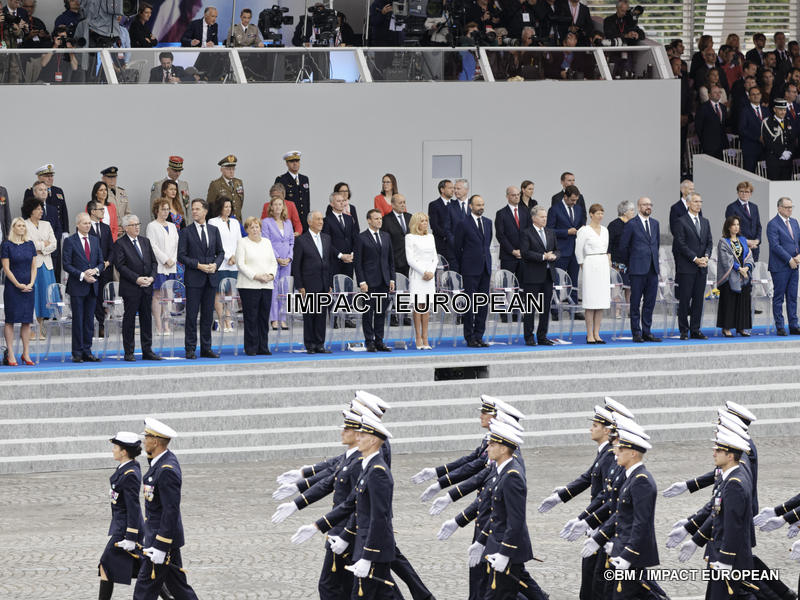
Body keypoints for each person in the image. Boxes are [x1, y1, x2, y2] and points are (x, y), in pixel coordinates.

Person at [133, 417, 199, 600]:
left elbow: (171, 511)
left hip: (161, 541)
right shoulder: (161, 461)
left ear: (155, 441)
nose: (144, 440)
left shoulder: (167, 469)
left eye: (147, 437)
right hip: (160, 538)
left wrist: (161, 546)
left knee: (143, 591)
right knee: (178, 589)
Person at [482, 420, 545, 600]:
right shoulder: (503, 472)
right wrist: (482, 542)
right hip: (499, 547)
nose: (487, 448)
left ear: (503, 449)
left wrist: (504, 553)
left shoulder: (512, 476)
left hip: (508, 552)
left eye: (492, 445)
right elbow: (497, 516)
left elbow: (515, 521)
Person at [606, 426, 659, 598]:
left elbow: (641, 523)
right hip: (624, 549)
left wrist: (628, 554)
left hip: (632, 556)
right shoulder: (632, 478)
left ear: (633, 453)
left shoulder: (641, 480)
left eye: (621, 449)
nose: (616, 452)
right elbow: (623, 517)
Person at [705, 430, 754, 600]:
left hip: (730, 561)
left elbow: (734, 526)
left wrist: (725, 559)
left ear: (730, 455)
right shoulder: (730, 478)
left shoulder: (734, 484)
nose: (714, 454)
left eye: (718, 451)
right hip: (725, 557)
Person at [98, 431, 144, 600]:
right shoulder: (126, 468)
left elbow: (133, 507)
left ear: (124, 452)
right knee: (144, 571)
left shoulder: (130, 474)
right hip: (122, 527)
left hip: (125, 530)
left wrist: (131, 537)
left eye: (115, 447)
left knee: (105, 564)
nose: (113, 450)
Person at [177, 199, 224, 359]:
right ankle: (190, 348)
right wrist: (198, 265)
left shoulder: (214, 230)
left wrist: (215, 265)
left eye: (198, 209)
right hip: (194, 278)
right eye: (193, 209)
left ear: (205, 211)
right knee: (191, 315)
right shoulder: (186, 232)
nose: (194, 212)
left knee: (207, 315)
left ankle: (206, 347)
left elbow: (221, 252)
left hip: (211, 278)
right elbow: (181, 256)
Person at [114, 215, 160, 362]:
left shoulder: (145, 241)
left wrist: (152, 277)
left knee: (147, 319)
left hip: (147, 285)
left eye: (138, 224)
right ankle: (129, 351)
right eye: (133, 225)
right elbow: (120, 266)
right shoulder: (120, 243)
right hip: (131, 287)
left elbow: (153, 262)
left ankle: (147, 350)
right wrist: (137, 279)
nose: (137, 227)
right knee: (130, 319)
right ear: (126, 227)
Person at [63, 212, 104, 363]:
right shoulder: (70, 241)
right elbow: (66, 264)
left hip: (92, 286)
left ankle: (88, 350)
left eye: (89, 223)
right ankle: (77, 352)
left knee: (89, 321)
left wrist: (96, 270)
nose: (88, 225)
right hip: (77, 286)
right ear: (78, 225)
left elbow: (100, 261)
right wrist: (82, 275)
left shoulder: (94, 240)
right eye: (85, 223)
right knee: (78, 320)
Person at [619, 197, 661, 343]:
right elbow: (623, 247)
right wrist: (631, 264)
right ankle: (636, 333)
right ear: (638, 207)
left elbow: (656, 244)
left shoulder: (655, 224)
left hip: (652, 269)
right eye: (645, 204)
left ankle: (647, 331)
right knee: (635, 302)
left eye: (650, 204)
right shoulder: (631, 224)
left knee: (650, 302)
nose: (648, 207)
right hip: (637, 269)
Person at [672, 193, 713, 340]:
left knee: (698, 300)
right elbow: (680, 244)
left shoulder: (705, 221)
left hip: (702, 267)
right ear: (688, 204)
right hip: (687, 267)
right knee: (684, 299)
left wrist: (706, 257)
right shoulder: (680, 221)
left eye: (700, 201)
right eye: (695, 201)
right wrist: (695, 258)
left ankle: (695, 329)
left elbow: (709, 242)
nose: (699, 204)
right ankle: (684, 330)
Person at [453, 195, 492, 347]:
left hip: (485, 268)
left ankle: (479, 336)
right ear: (470, 206)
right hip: (470, 269)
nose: (481, 207)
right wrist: (463, 265)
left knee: (483, 304)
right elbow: (457, 247)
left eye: (482, 204)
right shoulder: (463, 223)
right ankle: (469, 337)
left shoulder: (488, 223)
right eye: (478, 205)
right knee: (469, 304)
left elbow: (486, 244)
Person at [292, 211, 333, 354]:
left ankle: (320, 344)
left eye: (322, 219)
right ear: (310, 222)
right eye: (318, 219)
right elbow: (296, 266)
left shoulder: (327, 238)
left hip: (323, 283)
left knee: (321, 315)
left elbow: (329, 262)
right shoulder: (302, 240)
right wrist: (300, 285)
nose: (321, 222)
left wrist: (329, 284)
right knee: (309, 315)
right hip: (308, 284)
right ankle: (309, 344)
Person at [236, 216, 277, 356]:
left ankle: (263, 347)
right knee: (251, 317)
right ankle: (251, 347)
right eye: (251, 227)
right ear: (247, 229)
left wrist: (271, 275)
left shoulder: (267, 242)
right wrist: (256, 276)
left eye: (257, 227)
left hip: (266, 285)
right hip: (249, 285)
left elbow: (273, 261)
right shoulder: (242, 242)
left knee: (264, 317)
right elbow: (240, 264)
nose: (255, 229)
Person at [355, 209, 395, 352]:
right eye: (376, 218)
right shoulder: (361, 237)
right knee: (368, 313)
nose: (379, 221)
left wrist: (392, 279)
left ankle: (379, 340)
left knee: (381, 313)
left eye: (380, 218)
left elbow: (390, 260)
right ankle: (369, 341)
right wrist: (361, 282)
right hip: (369, 282)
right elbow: (358, 263)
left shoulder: (386, 236)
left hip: (384, 281)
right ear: (369, 220)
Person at [520, 206, 558, 346]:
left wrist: (554, 255)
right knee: (530, 308)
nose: (545, 219)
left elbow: (557, 250)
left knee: (545, 308)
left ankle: (542, 336)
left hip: (548, 276)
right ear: (534, 218)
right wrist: (543, 256)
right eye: (542, 217)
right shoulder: (526, 233)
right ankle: (529, 337)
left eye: (546, 216)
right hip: (532, 276)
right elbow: (525, 253)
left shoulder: (550, 232)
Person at [24, 164, 68, 284]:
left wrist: (54, 240)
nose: (50, 179)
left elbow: (60, 224)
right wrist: (43, 244)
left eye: (45, 190)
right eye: (47, 176)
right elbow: (28, 225)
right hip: (36, 253)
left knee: (54, 277)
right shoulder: (30, 196)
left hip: (52, 249)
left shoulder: (53, 205)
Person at [1, 217, 36, 366]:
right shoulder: (6, 245)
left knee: (26, 321)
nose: (22, 228)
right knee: (10, 320)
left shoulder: (30, 245)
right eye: (19, 225)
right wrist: (18, 284)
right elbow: (6, 268)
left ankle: (26, 353)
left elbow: (34, 266)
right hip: (12, 288)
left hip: (28, 287)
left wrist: (31, 283)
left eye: (23, 226)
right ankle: (10, 354)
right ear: (13, 228)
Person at [22, 189, 56, 339]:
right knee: (33, 295)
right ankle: (30, 328)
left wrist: (40, 246)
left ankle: (41, 326)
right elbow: (27, 244)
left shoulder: (47, 224)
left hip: (46, 265)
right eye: (38, 209)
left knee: (45, 296)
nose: (41, 211)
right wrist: (43, 245)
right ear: (31, 210)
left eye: (41, 209)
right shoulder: (23, 224)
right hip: (31, 265)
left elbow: (54, 244)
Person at [575, 204, 610, 344]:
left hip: (602, 263)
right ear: (591, 214)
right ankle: (589, 334)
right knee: (590, 301)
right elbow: (578, 250)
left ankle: (597, 333)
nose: (600, 216)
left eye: (602, 213)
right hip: (590, 263)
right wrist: (583, 265)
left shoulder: (605, 230)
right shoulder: (584, 230)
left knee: (600, 301)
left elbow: (607, 248)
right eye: (597, 213)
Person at [546, 184, 585, 312]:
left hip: (575, 250)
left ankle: (573, 308)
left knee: (573, 281)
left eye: (576, 200)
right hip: (561, 249)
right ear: (565, 197)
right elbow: (550, 230)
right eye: (572, 200)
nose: (574, 202)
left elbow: (581, 225)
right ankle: (555, 309)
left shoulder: (578, 209)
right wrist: (566, 232)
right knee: (557, 280)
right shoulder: (555, 209)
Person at [766, 197, 800, 336]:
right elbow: (775, 246)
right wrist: (789, 259)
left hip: (795, 265)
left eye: (791, 207)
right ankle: (780, 326)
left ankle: (793, 325)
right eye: (787, 207)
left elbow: (798, 241)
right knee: (779, 297)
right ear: (779, 208)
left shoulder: (794, 222)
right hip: (780, 266)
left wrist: (798, 257)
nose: (789, 210)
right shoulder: (773, 224)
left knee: (792, 296)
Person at [208, 197, 242, 333]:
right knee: (218, 292)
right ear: (220, 207)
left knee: (230, 292)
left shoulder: (235, 222)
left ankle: (229, 319)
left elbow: (239, 241)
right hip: (221, 262)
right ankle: (221, 319)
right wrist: (228, 256)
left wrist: (235, 256)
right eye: (225, 206)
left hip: (234, 263)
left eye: (229, 206)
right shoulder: (213, 222)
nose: (228, 209)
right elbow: (215, 242)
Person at [717, 215, 754, 338]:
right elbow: (725, 260)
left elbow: (749, 255)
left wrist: (747, 268)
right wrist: (739, 269)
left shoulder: (743, 240)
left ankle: (741, 327)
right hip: (729, 277)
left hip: (744, 276)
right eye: (734, 225)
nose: (736, 227)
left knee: (743, 302)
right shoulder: (723, 242)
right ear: (728, 227)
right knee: (729, 303)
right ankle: (726, 328)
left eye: (738, 224)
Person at [146, 198, 179, 336]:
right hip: (159, 265)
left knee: (169, 295)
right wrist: (165, 259)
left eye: (167, 209)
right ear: (156, 211)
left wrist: (173, 260)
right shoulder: (152, 226)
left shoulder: (172, 226)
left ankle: (167, 325)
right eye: (163, 209)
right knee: (158, 295)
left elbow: (177, 244)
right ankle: (159, 326)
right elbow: (152, 246)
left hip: (171, 265)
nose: (165, 212)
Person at [261, 195, 294, 330]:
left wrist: (289, 257)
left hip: (287, 260)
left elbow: (292, 241)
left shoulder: (288, 223)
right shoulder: (266, 222)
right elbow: (266, 241)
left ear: (283, 207)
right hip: (273, 260)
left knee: (285, 289)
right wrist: (277, 257)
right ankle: (274, 319)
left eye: (280, 204)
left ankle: (283, 318)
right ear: (271, 207)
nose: (278, 207)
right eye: (275, 204)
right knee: (273, 289)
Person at [405, 212, 437, 349]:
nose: (425, 223)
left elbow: (435, 257)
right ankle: (418, 337)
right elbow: (410, 259)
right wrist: (423, 272)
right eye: (422, 221)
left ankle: (426, 337)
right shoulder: (410, 237)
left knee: (427, 307)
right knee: (418, 307)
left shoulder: (430, 237)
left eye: (426, 221)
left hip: (430, 275)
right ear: (416, 223)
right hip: (418, 275)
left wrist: (431, 272)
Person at [88, 199, 114, 339]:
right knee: (93, 298)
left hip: (105, 269)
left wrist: (108, 262)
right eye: (101, 210)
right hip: (91, 270)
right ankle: (93, 326)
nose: (103, 212)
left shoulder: (105, 228)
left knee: (103, 298)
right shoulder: (86, 227)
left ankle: (102, 325)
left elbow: (111, 248)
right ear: (92, 211)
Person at [495, 186, 532, 287]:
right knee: (506, 285)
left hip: (524, 255)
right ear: (507, 196)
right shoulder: (501, 213)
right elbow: (500, 235)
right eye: (513, 195)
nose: (516, 197)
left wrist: (523, 250)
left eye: (518, 195)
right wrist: (513, 251)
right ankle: (506, 303)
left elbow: (530, 232)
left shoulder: (526, 211)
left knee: (523, 285)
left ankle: (520, 302)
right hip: (508, 256)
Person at [725, 181, 762, 262]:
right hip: (739, 248)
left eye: (747, 192)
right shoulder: (731, 207)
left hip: (754, 249)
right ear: (738, 193)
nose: (744, 194)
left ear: (750, 193)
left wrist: (757, 241)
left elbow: (758, 226)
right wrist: (746, 242)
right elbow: (731, 229)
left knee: (752, 273)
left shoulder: (754, 207)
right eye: (741, 191)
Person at [607, 200, 635, 304]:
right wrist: (609, 259)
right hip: (617, 262)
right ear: (624, 212)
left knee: (630, 287)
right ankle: (617, 311)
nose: (633, 212)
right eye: (631, 210)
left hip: (630, 261)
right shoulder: (614, 225)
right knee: (617, 286)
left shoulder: (633, 224)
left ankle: (629, 310)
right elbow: (609, 243)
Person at [275, 151, 310, 233]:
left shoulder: (304, 179)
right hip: (289, 219)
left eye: (297, 161)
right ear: (286, 163)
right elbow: (277, 201)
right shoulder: (281, 179)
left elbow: (307, 200)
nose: (295, 164)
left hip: (304, 220)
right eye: (291, 161)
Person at [762, 98, 795, 180]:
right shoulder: (767, 122)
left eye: (784, 110)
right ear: (774, 109)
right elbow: (768, 142)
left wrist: (790, 152)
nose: (783, 112)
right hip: (774, 161)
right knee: (775, 187)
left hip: (787, 161)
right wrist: (781, 152)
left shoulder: (788, 121)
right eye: (780, 110)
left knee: (786, 188)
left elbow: (792, 139)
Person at [381, 192, 411, 279]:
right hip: (395, 261)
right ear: (393, 205)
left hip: (410, 261)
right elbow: (384, 242)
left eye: (404, 202)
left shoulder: (410, 217)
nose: (403, 205)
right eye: (400, 203)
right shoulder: (386, 220)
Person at [207, 155, 244, 223]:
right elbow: (210, 206)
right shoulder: (215, 184)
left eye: (233, 169)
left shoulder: (239, 182)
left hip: (237, 220)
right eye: (228, 169)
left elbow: (240, 203)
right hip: (222, 221)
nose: (231, 171)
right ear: (221, 170)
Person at [695, 85, 728, 160]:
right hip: (709, 145)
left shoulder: (723, 107)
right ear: (709, 95)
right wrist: (705, 141)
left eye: (719, 92)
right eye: (715, 92)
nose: (718, 94)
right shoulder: (703, 108)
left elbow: (723, 125)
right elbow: (698, 127)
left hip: (722, 144)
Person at [740, 86, 768, 173]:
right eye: (753, 94)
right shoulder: (744, 111)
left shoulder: (766, 110)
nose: (756, 96)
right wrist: (757, 137)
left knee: (764, 174)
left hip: (764, 148)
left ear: (761, 95)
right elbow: (742, 129)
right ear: (749, 97)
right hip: (750, 149)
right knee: (750, 173)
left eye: (758, 94)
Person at [428, 179, 454, 265]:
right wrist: (448, 236)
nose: (453, 190)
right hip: (442, 244)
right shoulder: (434, 205)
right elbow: (434, 225)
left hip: (456, 244)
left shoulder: (455, 204)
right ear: (442, 190)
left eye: (453, 188)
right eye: (450, 188)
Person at [101, 166, 129, 232]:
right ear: (103, 178)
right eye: (109, 177)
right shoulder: (101, 193)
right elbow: (100, 216)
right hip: (109, 232)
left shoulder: (122, 192)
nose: (112, 180)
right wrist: (114, 229)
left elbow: (127, 213)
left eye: (114, 177)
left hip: (123, 231)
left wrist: (124, 227)